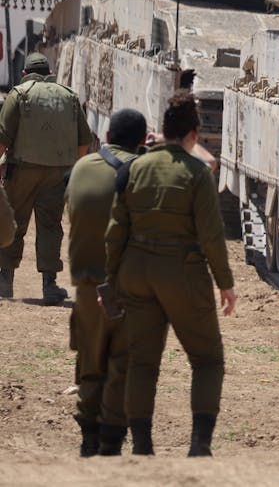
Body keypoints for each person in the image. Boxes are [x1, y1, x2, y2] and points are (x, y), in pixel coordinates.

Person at [104, 92, 236, 456]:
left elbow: (116, 230)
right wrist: (225, 284)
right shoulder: (196, 173)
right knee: (208, 360)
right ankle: (199, 446)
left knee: (142, 361)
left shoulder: (135, 167)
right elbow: (211, 236)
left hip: (135, 272)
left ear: (162, 131)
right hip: (182, 274)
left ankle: (143, 446)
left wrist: (109, 281)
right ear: (194, 135)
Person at [66, 108, 148, 457]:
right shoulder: (146, 173)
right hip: (130, 289)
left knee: (90, 360)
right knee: (123, 363)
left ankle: (88, 435)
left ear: (108, 136)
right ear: (142, 140)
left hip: (88, 286)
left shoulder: (82, 167)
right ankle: (112, 441)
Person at [0, 52, 93, 304]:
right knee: (51, 226)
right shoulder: (69, 95)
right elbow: (85, 140)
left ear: (24, 73)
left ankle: (5, 281)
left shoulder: (19, 93)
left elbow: (3, 138)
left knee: (14, 222)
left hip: (21, 171)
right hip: (57, 173)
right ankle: (50, 285)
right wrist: (70, 167)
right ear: (48, 71)